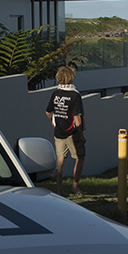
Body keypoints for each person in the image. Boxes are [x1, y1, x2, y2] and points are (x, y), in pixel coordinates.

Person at [46, 65, 85, 197]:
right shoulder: (75, 95)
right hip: (72, 133)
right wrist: (81, 135)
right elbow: (78, 119)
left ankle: (59, 189)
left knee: (60, 161)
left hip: (59, 132)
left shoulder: (56, 93)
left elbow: (48, 111)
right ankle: (75, 186)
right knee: (80, 157)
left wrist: (53, 122)